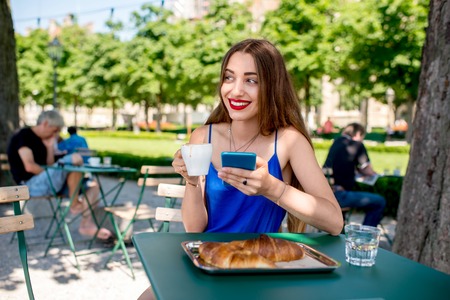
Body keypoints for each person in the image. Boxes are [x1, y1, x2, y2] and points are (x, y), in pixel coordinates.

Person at [172, 39, 343, 235]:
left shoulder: (290, 141)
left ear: (273, 87)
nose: (236, 91)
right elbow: (194, 229)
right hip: (207, 259)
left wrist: (272, 188)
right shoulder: (202, 136)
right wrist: (192, 181)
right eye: (229, 78)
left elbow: (335, 222)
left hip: (261, 262)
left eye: (251, 80)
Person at [7, 110, 111, 239]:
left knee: (93, 185)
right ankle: (74, 204)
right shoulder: (23, 136)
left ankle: (86, 224)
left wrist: (50, 148)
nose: (56, 134)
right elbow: (30, 166)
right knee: (73, 159)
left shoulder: (46, 140)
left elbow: (49, 165)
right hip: (30, 185)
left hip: (49, 183)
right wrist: (56, 171)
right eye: (55, 130)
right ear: (45, 123)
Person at [323, 123, 386, 227]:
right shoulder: (357, 145)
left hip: (327, 193)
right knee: (379, 202)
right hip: (340, 195)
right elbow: (367, 170)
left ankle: (342, 229)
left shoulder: (336, 142)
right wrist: (374, 173)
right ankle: (366, 237)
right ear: (357, 134)